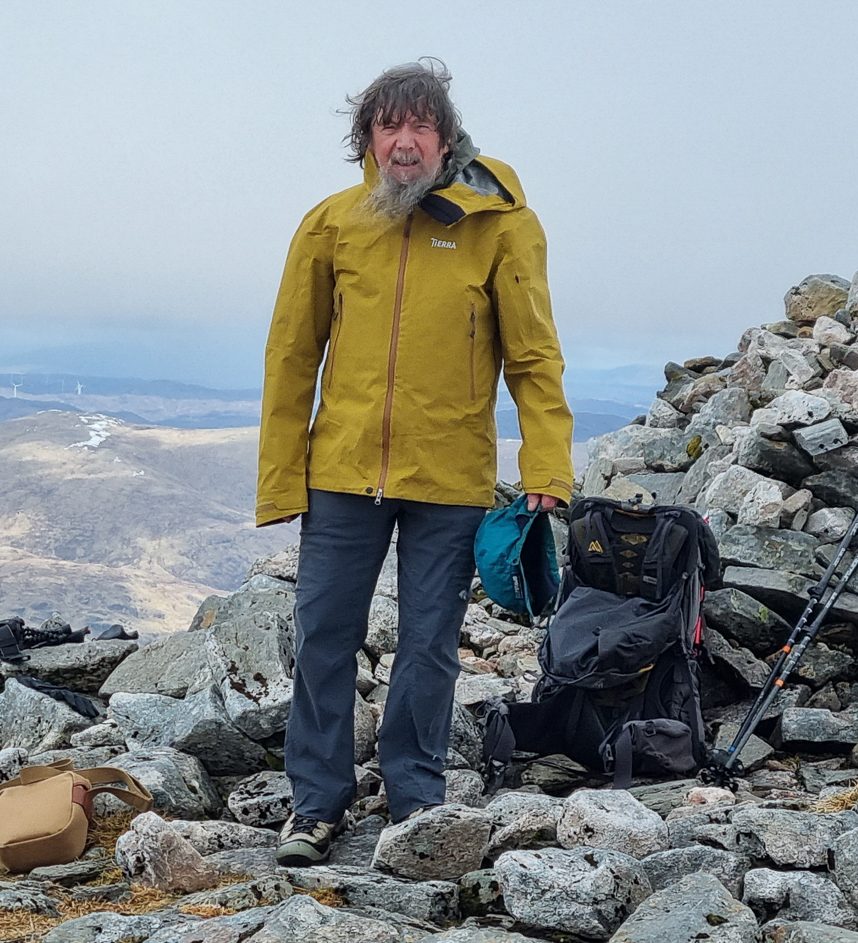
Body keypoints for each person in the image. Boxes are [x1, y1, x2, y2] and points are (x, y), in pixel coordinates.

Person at [257, 58, 574, 867]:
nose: (404, 142)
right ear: (366, 139)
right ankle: (316, 805)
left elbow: (534, 358)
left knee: (429, 643)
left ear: (445, 137)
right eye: (387, 126)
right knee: (325, 634)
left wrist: (547, 466)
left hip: (450, 479)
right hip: (342, 473)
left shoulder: (500, 225)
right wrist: (279, 479)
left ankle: (415, 801)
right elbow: (292, 357)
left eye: (419, 125)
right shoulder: (331, 224)